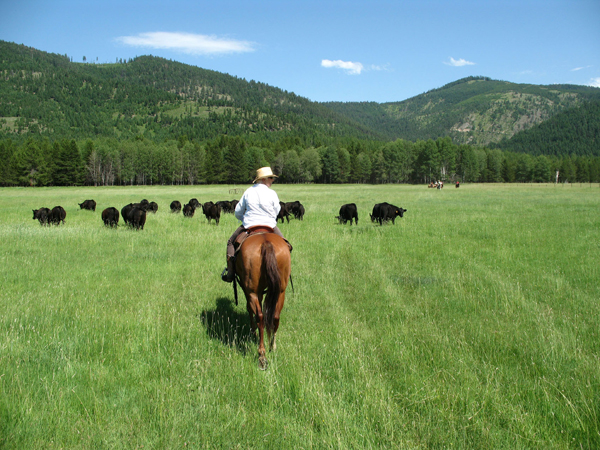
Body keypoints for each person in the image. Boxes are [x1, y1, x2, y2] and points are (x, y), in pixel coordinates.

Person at [221, 167, 286, 282]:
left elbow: (238, 212)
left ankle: (230, 273)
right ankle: (285, 272)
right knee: (286, 245)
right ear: (264, 179)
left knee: (231, 242)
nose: (272, 180)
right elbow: (277, 210)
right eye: (271, 178)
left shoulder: (248, 191)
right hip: (270, 225)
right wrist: (269, 219)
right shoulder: (272, 193)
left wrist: (245, 219)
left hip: (249, 225)